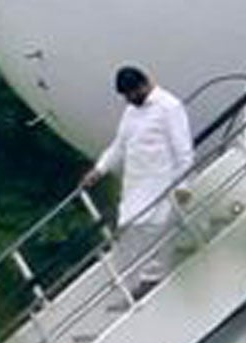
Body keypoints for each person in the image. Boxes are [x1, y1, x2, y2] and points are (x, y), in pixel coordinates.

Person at [80, 64, 194, 290]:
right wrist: (100, 169)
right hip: (136, 184)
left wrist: (183, 185)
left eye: (133, 93)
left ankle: (153, 278)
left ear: (144, 84)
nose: (131, 98)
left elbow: (183, 150)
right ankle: (141, 278)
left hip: (161, 182)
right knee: (130, 228)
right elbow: (120, 146)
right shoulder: (131, 112)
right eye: (126, 96)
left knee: (153, 228)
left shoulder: (169, 107)